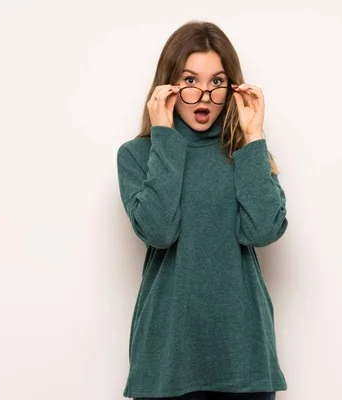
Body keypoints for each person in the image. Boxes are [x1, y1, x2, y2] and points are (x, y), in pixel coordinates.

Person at [116, 20, 289, 400]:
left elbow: (264, 230)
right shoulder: (137, 155)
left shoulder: (246, 152)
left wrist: (254, 137)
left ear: (231, 88)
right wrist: (164, 136)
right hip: (168, 355)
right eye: (190, 81)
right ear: (169, 86)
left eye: (216, 82)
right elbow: (159, 231)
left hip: (244, 355)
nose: (205, 96)